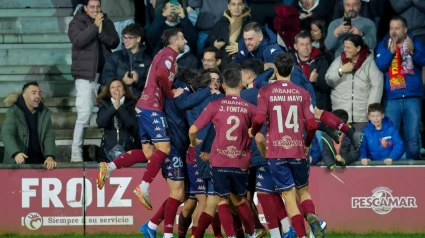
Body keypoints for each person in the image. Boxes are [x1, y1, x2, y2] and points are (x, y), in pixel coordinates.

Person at [251, 53, 325, 238]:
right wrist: (307, 143)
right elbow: (313, 124)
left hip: (277, 151)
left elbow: (259, 118)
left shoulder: (265, 91)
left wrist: (254, 131)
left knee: (289, 197)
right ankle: (312, 217)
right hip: (298, 149)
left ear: (275, 70)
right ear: (292, 69)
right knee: (303, 191)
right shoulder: (303, 92)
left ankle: (300, 235)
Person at [189, 68, 256, 238]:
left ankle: (231, 236)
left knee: (222, 201)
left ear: (223, 86)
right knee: (240, 200)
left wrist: (193, 142)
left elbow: (193, 129)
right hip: (240, 160)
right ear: (241, 84)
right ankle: (251, 233)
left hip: (220, 160)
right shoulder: (249, 108)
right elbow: (260, 129)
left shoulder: (214, 105)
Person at [240, 59, 296, 238]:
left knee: (266, 195)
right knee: (272, 194)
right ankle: (284, 231)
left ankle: (286, 230)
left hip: (262, 149)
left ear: (248, 75)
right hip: (282, 147)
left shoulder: (249, 94)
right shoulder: (281, 91)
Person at [133, 28, 186, 210]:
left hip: (143, 106)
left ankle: (110, 167)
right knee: (164, 148)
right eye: (182, 38)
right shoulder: (169, 54)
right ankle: (144, 186)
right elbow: (161, 74)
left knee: (149, 153)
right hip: (151, 107)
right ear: (174, 41)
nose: (185, 41)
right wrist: (171, 93)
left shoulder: (164, 54)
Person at [68, 0, 119, 162]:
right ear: (85, 8)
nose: (96, 10)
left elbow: (114, 42)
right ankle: (76, 152)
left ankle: (110, 151)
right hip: (85, 76)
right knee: (84, 115)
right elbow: (78, 40)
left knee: (109, 113)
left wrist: (101, 31)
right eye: (92, 7)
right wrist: (95, 27)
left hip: (106, 75)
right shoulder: (76, 22)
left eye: (98, 7)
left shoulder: (106, 21)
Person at [375, 16, 425, 160]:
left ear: (405, 29)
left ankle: (413, 169)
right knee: (389, 136)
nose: (394, 31)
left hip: (412, 96)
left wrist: (413, 51)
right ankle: (390, 171)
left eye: (397, 28)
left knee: (413, 137)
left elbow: (423, 60)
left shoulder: (415, 42)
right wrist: (391, 53)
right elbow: (380, 65)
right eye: (391, 28)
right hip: (392, 97)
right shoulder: (384, 44)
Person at [325, 34, 383, 132]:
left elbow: (377, 86)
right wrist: (340, 71)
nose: (345, 50)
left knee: (361, 145)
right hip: (341, 116)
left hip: (362, 117)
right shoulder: (339, 61)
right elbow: (329, 80)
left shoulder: (369, 63)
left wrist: (371, 112)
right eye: (344, 47)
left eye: (348, 47)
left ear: (358, 48)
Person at [1, 82, 56, 170]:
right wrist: (16, 153)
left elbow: (49, 136)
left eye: (39, 93)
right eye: (34, 93)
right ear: (24, 96)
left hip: (40, 163)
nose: (38, 96)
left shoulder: (44, 112)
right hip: (19, 163)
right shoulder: (14, 112)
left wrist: (49, 157)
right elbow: (6, 134)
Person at [102, 23, 152, 98]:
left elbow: (152, 85)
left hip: (139, 101)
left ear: (138, 39)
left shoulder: (148, 60)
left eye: (129, 38)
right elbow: (105, 79)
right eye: (124, 38)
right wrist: (121, 82)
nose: (126, 41)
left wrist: (138, 81)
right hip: (118, 100)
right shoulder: (115, 56)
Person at [95, 79, 140, 161]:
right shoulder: (103, 104)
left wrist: (120, 107)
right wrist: (113, 107)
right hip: (107, 150)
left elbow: (131, 123)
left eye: (119, 86)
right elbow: (100, 123)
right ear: (109, 92)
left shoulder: (131, 104)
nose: (116, 89)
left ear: (124, 91)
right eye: (112, 87)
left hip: (128, 149)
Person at [291, 31, 331, 112]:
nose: (306, 47)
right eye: (302, 44)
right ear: (295, 46)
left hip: (316, 107)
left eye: (308, 44)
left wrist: (316, 80)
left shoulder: (321, 60)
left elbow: (326, 86)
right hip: (295, 106)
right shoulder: (289, 61)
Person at [206, 0, 251, 66]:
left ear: (243, 6)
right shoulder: (219, 24)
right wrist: (214, 45)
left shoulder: (251, 24)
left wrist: (242, 48)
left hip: (243, 64)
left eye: (239, 4)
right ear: (228, 6)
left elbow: (259, 45)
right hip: (222, 66)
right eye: (233, 4)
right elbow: (208, 43)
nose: (236, 7)